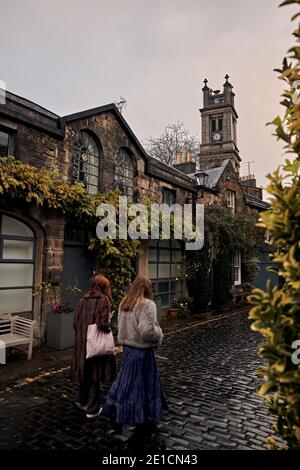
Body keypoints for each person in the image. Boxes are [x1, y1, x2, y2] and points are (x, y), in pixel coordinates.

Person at [101, 275, 167, 433]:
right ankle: (140, 416)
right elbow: (148, 332)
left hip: (128, 350)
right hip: (143, 352)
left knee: (126, 382)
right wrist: (159, 333)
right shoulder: (147, 304)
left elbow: (119, 326)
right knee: (144, 384)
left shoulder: (125, 302)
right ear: (147, 288)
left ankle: (116, 409)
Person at [71, 274, 117, 419]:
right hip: (95, 344)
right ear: (104, 287)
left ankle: (80, 400)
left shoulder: (82, 300)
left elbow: (75, 323)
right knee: (95, 375)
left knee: (86, 372)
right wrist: (110, 327)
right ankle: (92, 409)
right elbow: (103, 324)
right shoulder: (103, 300)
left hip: (81, 343)